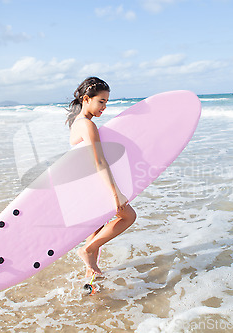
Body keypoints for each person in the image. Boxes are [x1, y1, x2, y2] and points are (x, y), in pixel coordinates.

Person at [66, 77, 137, 277]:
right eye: (101, 101)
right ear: (87, 99)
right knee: (128, 216)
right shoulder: (88, 125)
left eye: (106, 102)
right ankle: (86, 251)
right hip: (94, 183)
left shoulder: (77, 122)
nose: (104, 107)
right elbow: (99, 162)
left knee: (96, 228)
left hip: (84, 183)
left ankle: (92, 272)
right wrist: (116, 194)